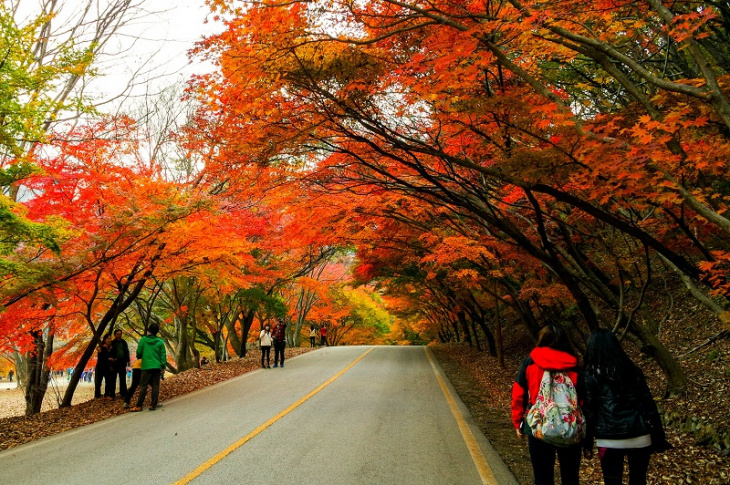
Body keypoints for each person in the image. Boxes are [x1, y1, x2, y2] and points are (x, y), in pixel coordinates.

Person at [583, 329, 671, 485]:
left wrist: (587, 442)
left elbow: (590, 411)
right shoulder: (633, 371)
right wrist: (659, 434)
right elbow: (648, 404)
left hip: (608, 438)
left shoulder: (591, 376)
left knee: (612, 481)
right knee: (638, 480)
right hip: (639, 435)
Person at [511, 325, 584, 485]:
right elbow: (582, 399)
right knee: (570, 478)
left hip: (538, 426)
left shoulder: (530, 363)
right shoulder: (575, 366)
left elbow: (518, 393)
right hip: (569, 426)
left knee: (542, 478)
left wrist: (518, 421)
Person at [129, 323, 166, 412]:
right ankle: (153, 405)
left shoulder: (143, 340)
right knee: (155, 386)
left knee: (143, 386)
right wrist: (163, 366)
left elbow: (139, 352)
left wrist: (140, 356)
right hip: (157, 366)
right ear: (157, 331)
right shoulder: (160, 342)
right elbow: (163, 355)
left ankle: (139, 405)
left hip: (146, 367)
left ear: (149, 330)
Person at [109, 329, 130, 398]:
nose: (119, 335)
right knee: (113, 378)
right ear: (115, 335)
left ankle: (123, 393)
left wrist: (128, 360)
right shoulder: (112, 343)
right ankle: (112, 394)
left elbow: (126, 351)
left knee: (122, 378)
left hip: (122, 362)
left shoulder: (123, 342)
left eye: (120, 334)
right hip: (114, 362)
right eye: (117, 334)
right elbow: (109, 352)